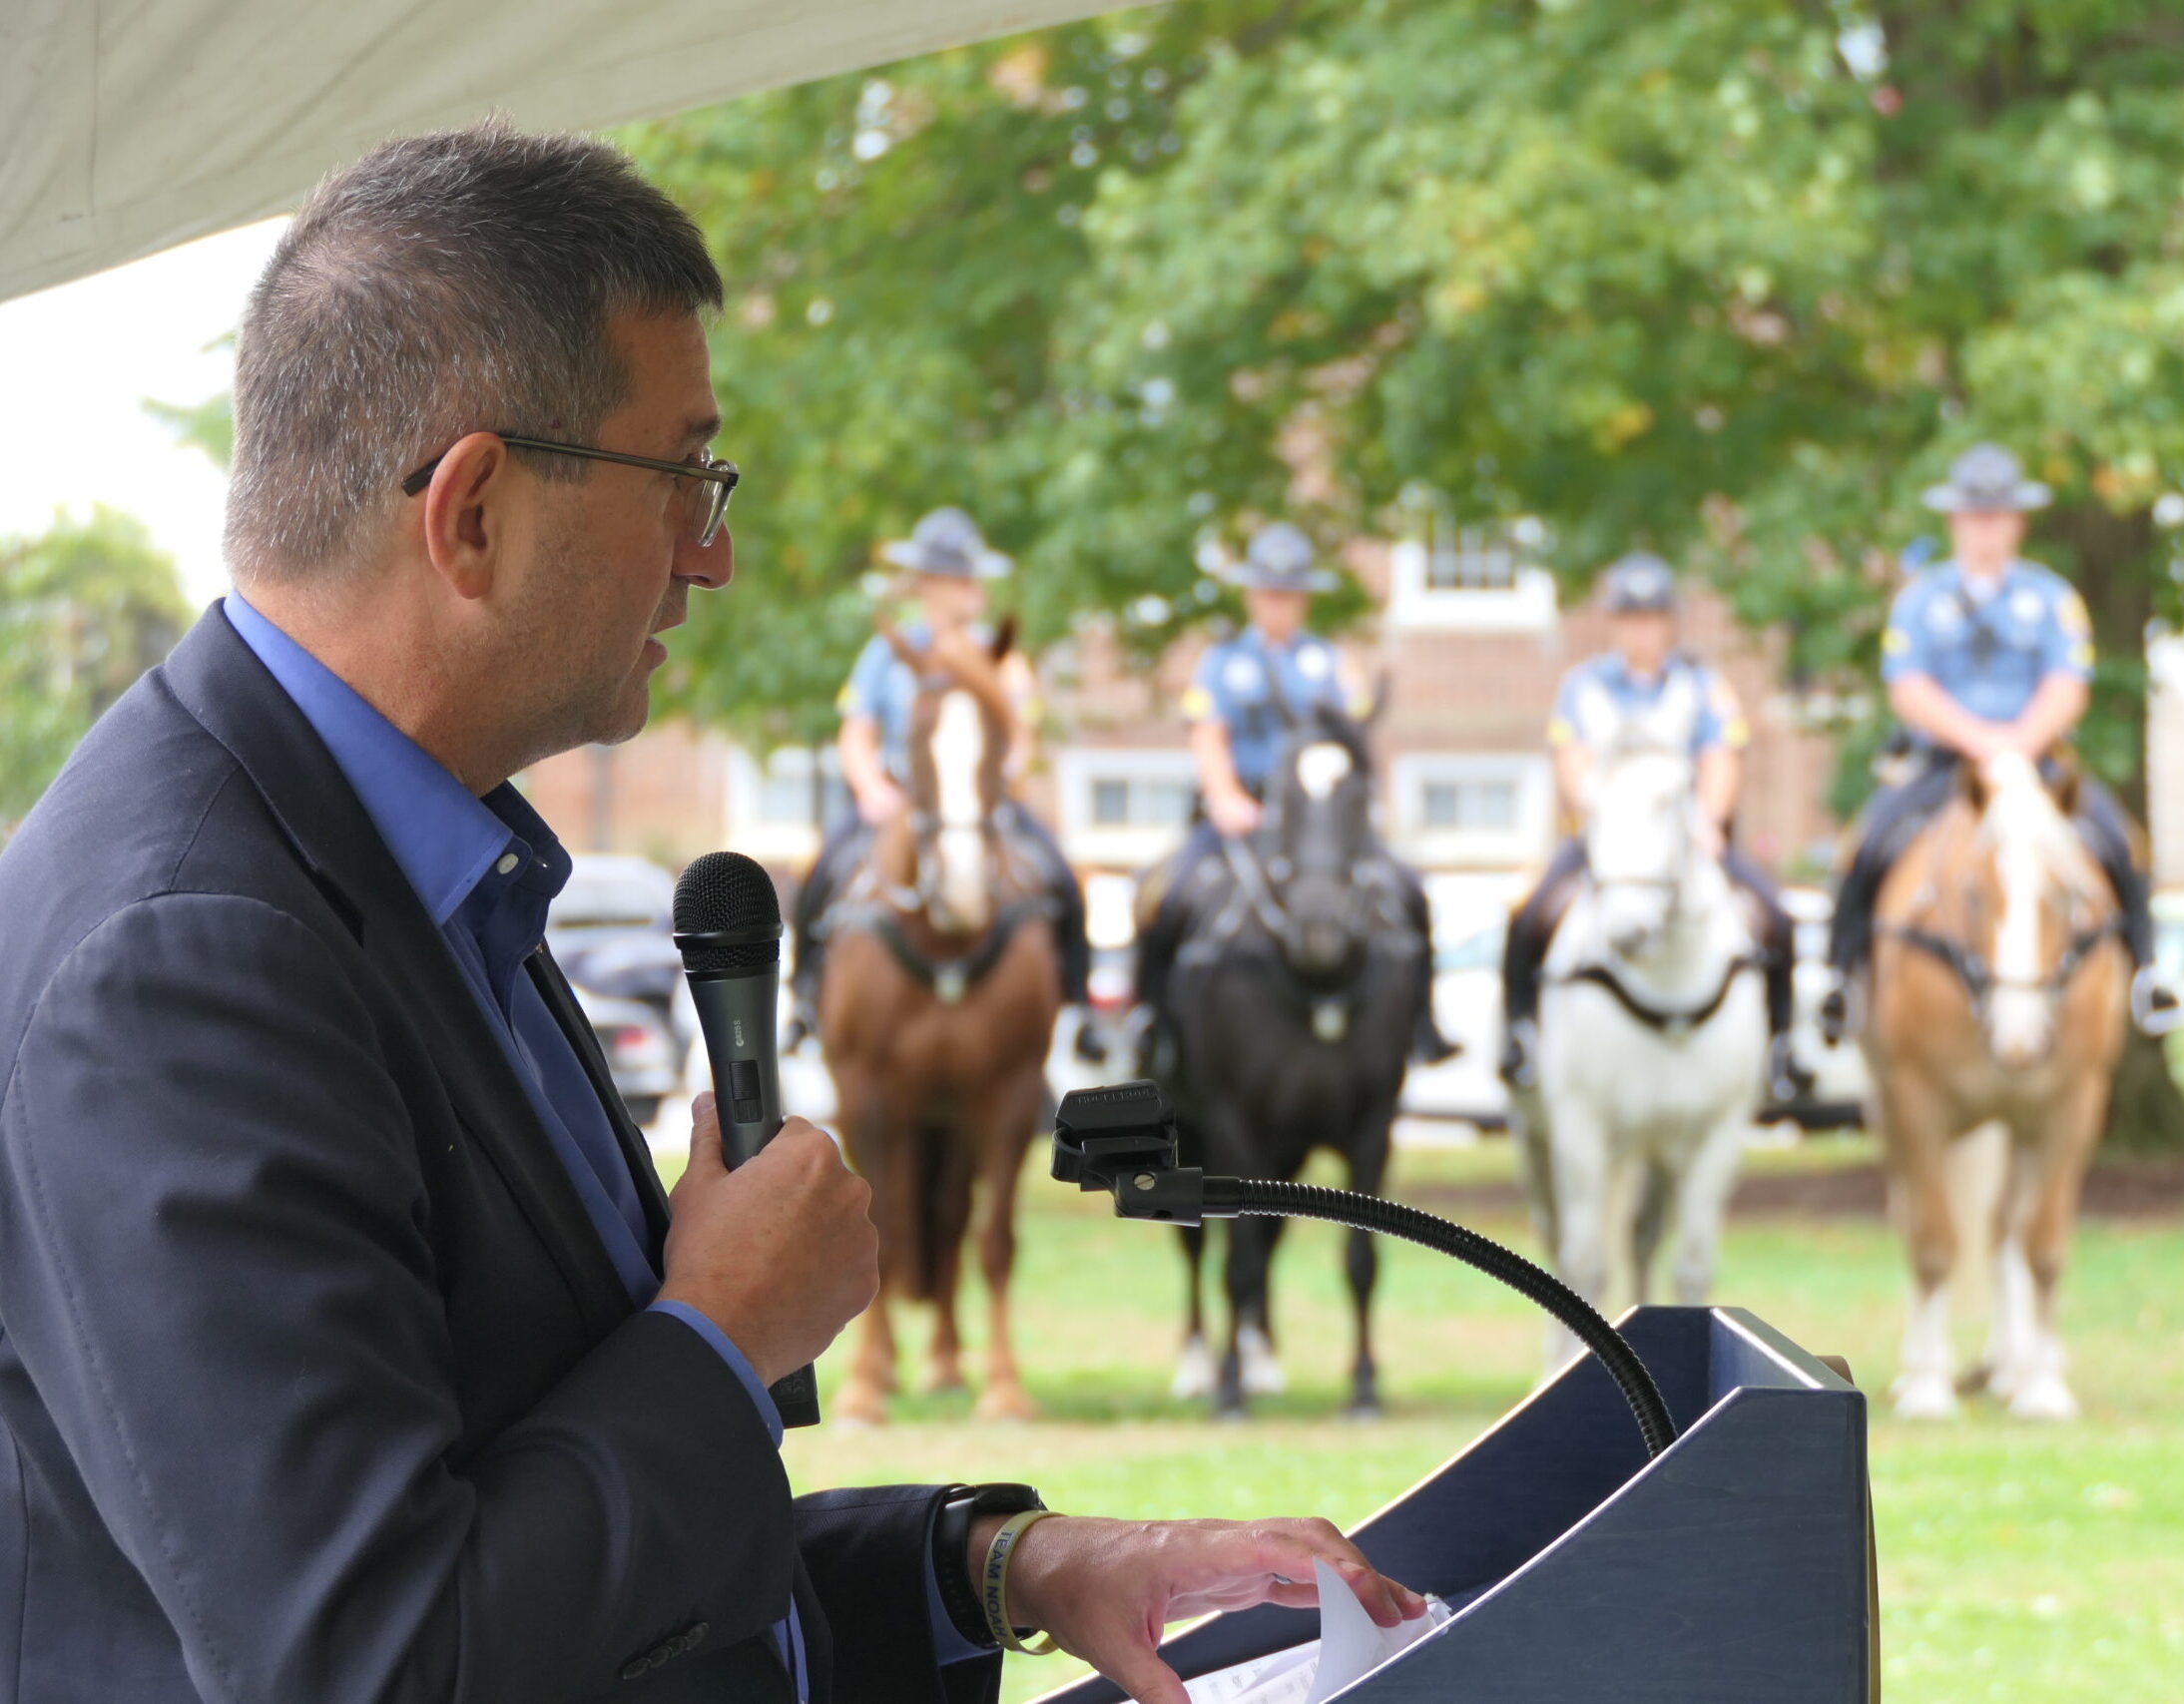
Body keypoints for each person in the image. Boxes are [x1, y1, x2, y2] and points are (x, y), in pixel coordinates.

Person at [0, 124, 1425, 1704]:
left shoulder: (426, 866)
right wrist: (718, 1329)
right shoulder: (183, 952)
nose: (716, 551)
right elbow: (382, 1654)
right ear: (470, 510)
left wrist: (999, 1564)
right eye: (682, 472)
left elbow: (582, 1567)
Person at [1819, 442, 2181, 1041]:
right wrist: (1982, 743)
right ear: (1955, 521)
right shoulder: (1920, 600)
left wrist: (2017, 744)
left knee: (2120, 843)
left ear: (2017, 523)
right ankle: (1840, 981)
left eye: (1997, 515)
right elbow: (1909, 689)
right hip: (1943, 763)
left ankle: (2149, 975)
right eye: (1975, 515)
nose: (1986, 527)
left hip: (2035, 761)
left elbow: (2068, 686)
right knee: (1865, 845)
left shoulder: (2051, 599)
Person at [1132, 522, 1457, 1064]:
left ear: (1303, 598)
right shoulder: (1221, 663)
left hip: (1319, 819)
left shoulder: (1332, 664)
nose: (1278, 603)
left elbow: (1354, 740)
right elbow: (1208, 736)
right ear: (1252, 596)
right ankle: (1153, 1025)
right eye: (1268, 592)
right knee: (1166, 893)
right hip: (1246, 810)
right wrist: (1226, 797)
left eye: (1288, 593)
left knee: (1407, 889)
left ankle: (1423, 1022)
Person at [792, 506, 1104, 1059]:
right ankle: (805, 996)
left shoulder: (1001, 658)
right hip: (902, 803)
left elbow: (1022, 737)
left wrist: (996, 781)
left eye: (971, 578)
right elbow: (856, 735)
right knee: (824, 870)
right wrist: (873, 790)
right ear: (928, 584)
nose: (971, 590)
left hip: (980, 804)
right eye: (959, 578)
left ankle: (1077, 1004)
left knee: (1056, 868)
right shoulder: (885, 653)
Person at [1497, 553, 1807, 1100]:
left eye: (1652, 617)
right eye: (1631, 618)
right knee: (1529, 917)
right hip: (1607, 837)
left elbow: (1721, 756)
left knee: (1775, 917)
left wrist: (1709, 822)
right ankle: (1518, 1036)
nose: (1642, 629)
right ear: (1614, 624)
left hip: (1683, 839)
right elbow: (1571, 758)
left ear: (1669, 622)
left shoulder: (1702, 686)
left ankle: (1782, 1047)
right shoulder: (1584, 686)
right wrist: (1601, 818)